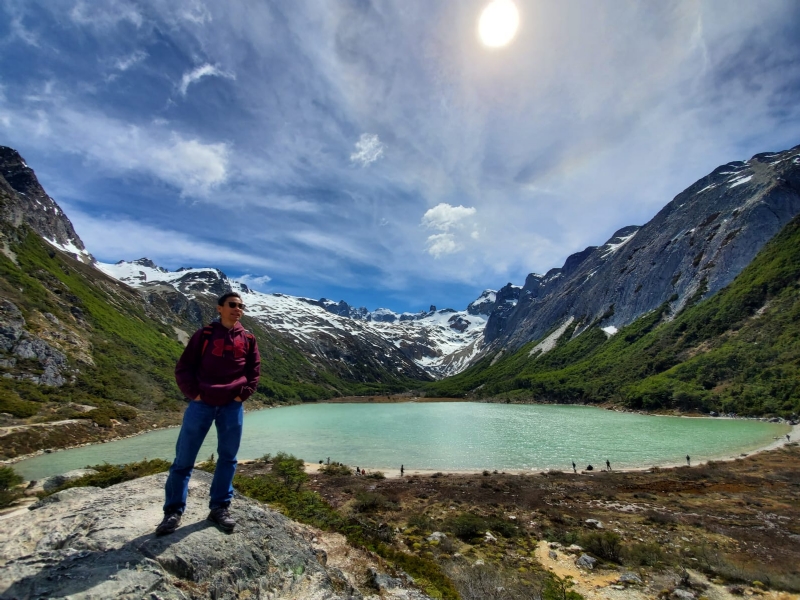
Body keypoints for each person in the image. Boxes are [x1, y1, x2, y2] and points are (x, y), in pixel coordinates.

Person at [156, 292, 260, 535]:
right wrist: (195, 394)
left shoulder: (248, 339)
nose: (238, 309)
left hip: (232, 406)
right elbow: (184, 367)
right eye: (233, 305)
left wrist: (241, 395)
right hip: (201, 404)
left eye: (241, 306)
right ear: (219, 308)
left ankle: (219, 508)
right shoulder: (204, 335)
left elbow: (254, 371)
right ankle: (173, 512)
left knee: (228, 458)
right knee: (183, 460)